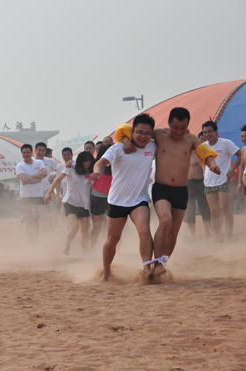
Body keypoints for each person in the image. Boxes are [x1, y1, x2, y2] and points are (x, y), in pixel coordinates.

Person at [120, 107, 220, 276]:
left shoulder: (191, 139)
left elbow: (205, 154)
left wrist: (212, 165)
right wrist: (125, 140)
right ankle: (154, 262)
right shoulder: (158, 134)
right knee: (165, 222)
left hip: (181, 189)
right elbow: (131, 130)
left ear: (188, 125)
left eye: (183, 127)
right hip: (161, 188)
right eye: (175, 127)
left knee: (173, 234)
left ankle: (161, 263)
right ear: (169, 123)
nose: (179, 131)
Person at [92, 114, 156, 281]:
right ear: (132, 132)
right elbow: (100, 162)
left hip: (139, 199)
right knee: (112, 239)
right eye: (139, 132)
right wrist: (97, 171)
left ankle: (146, 269)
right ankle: (106, 272)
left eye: (148, 133)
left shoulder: (153, 147)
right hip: (117, 200)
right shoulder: (119, 148)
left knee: (144, 230)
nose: (143, 136)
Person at [46, 150, 94, 255]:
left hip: (84, 204)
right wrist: (49, 193)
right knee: (75, 227)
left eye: (89, 165)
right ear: (80, 163)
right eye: (85, 165)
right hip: (70, 202)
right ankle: (68, 243)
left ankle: (85, 252)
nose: (86, 167)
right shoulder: (70, 168)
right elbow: (57, 180)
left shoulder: (91, 170)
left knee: (85, 230)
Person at [202, 120, 241, 241]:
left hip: (223, 180)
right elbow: (202, 163)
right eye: (205, 132)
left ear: (215, 131)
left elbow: (240, 154)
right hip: (209, 182)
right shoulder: (203, 146)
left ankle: (229, 236)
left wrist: (232, 169)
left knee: (225, 208)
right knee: (214, 211)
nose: (207, 134)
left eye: (210, 131)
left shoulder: (225, 143)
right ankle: (216, 237)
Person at [15, 144, 48, 239]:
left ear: (31, 153)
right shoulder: (19, 165)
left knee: (44, 217)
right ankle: (32, 240)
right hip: (26, 195)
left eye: (28, 152)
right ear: (22, 154)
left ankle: (51, 237)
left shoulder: (38, 162)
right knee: (29, 219)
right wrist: (37, 178)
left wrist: (29, 177)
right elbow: (23, 179)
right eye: (24, 153)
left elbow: (45, 173)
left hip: (38, 194)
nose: (26, 154)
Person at [184, 131, 212, 238]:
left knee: (204, 207)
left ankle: (208, 233)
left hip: (200, 182)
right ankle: (193, 235)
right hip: (188, 183)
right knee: (189, 209)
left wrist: (206, 184)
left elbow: (204, 168)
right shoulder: (182, 153)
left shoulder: (198, 152)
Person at [89, 143, 113, 248]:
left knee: (113, 227)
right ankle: (91, 247)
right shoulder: (94, 163)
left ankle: (114, 249)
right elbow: (79, 163)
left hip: (111, 198)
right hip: (97, 197)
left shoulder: (118, 164)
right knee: (97, 226)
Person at [33, 142, 56, 233]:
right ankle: (35, 239)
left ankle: (51, 237)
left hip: (46, 192)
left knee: (48, 216)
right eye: (39, 150)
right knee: (35, 217)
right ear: (35, 150)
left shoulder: (49, 161)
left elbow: (59, 171)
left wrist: (52, 177)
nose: (41, 152)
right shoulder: (30, 161)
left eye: (43, 150)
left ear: (45, 151)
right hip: (34, 193)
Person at [54, 147, 73, 220]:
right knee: (64, 213)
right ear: (62, 156)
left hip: (76, 196)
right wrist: (58, 194)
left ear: (72, 155)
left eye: (68, 154)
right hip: (65, 195)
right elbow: (57, 181)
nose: (66, 157)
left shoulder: (76, 165)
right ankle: (66, 229)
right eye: (64, 155)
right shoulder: (60, 167)